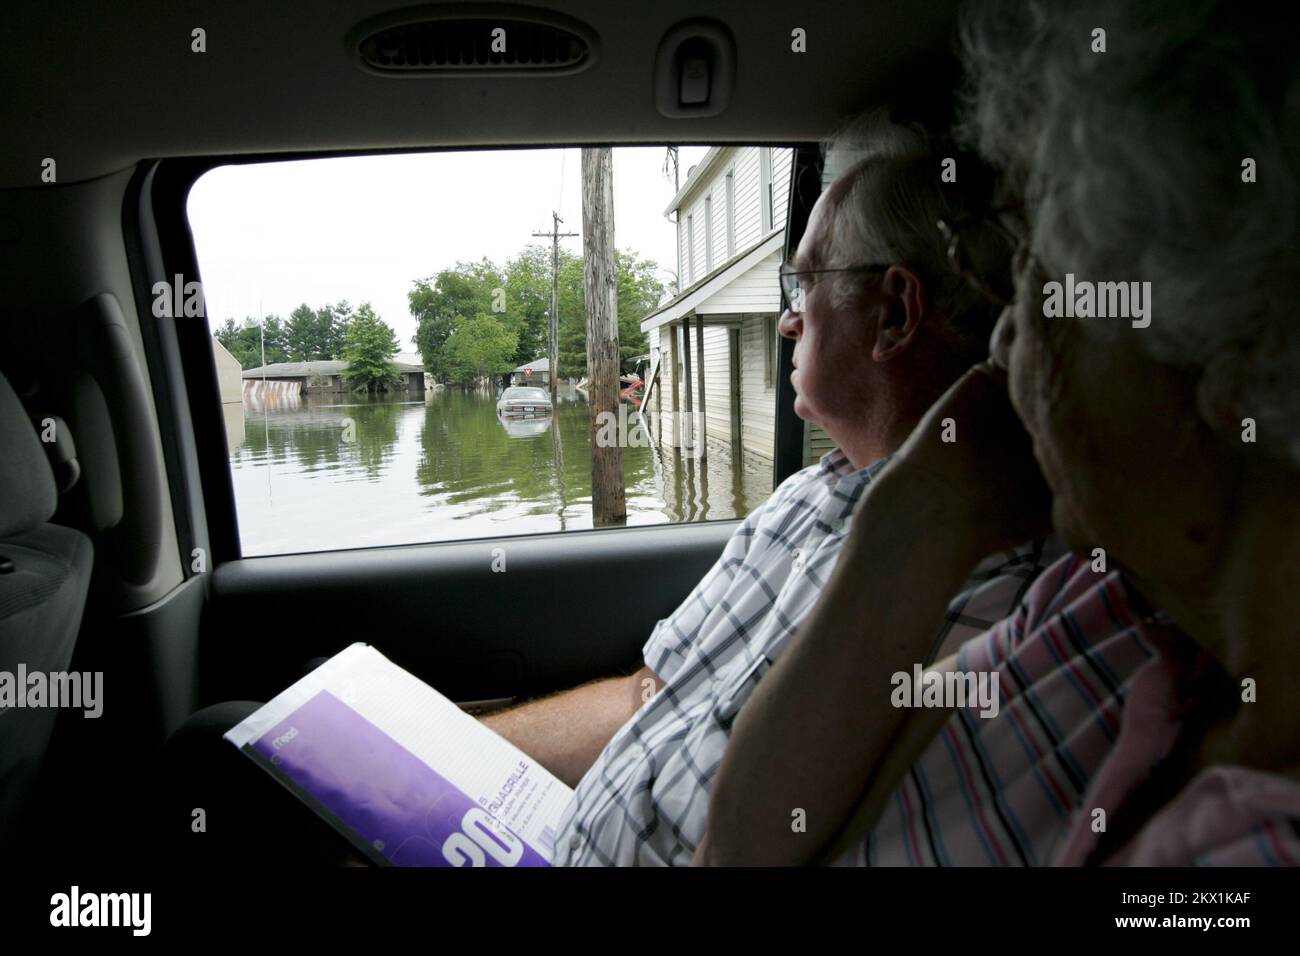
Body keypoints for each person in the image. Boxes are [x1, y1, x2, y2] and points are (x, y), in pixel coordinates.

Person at [164, 111, 1058, 866]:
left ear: (895, 312)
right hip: (547, 839)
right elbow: (648, 694)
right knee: (225, 746)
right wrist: (416, 770)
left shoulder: (988, 591)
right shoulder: (805, 497)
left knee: (210, 770)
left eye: (807, 281)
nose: (787, 315)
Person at [695, 0, 1300, 866]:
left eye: (1038, 275)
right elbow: (741, 851)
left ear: (1230, 332)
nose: (1006, 338)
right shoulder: (1101, 605)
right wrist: (903, 529)